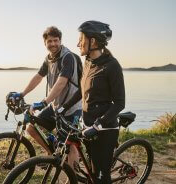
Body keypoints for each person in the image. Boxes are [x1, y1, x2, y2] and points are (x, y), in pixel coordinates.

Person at [8, 26, 82, 168]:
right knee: (31, 128)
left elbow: (62, 82)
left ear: (60, 41)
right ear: (45, 43)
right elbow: (38, 76)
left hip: (72, 107)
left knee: (69, 144)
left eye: (56, 40)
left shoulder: (68, 57)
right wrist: (22, 94)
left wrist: (43, 102)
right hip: (55, 105)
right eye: (49, 41)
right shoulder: (48, 59)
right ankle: (51, 155)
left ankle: (72, 175)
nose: (53, 44)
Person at [77, 20, 125, 183]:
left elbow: (120, 103)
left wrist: (97, 125)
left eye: (81, 39)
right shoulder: (88, 62)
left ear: (93, 41)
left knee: (101, 178)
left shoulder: (112, 66)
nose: (78, 43)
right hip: (88, 125)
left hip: (104, 129)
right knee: (92, 170)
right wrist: (61, 109)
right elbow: (82, 91)